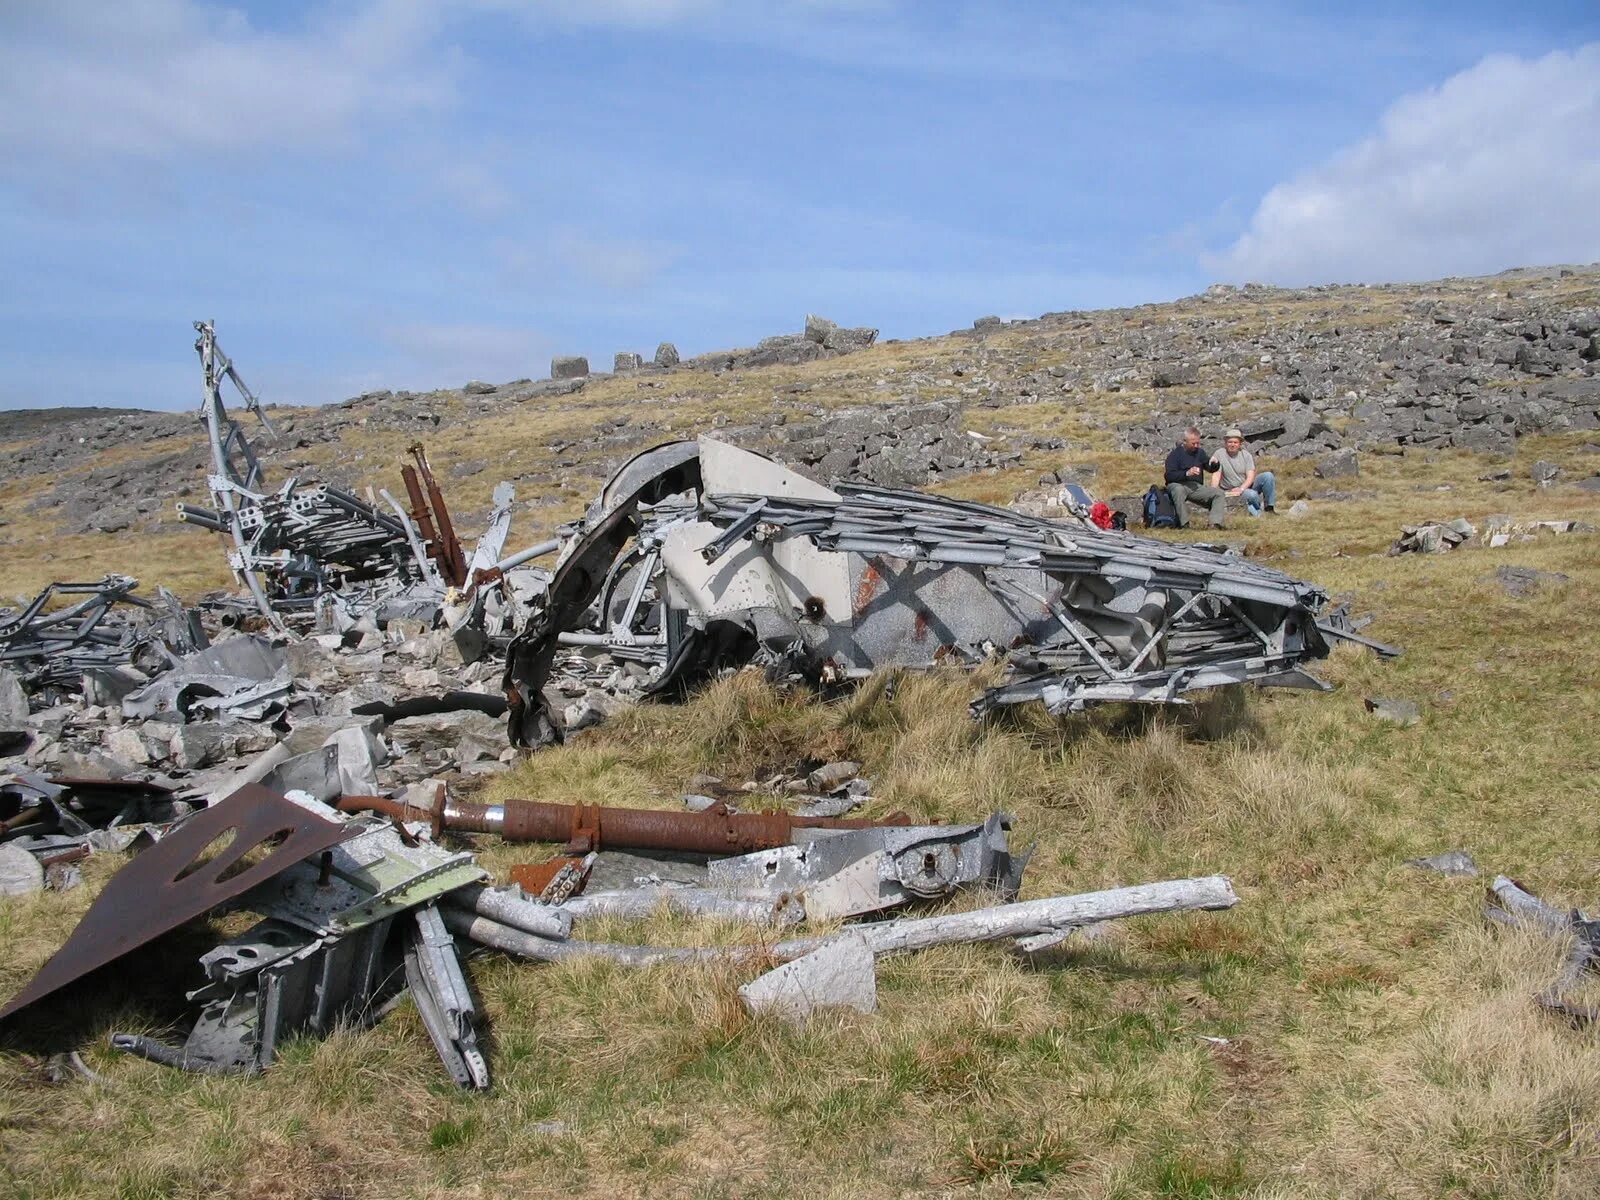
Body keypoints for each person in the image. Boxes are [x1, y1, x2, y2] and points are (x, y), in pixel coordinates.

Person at [1163, 426, 1226, 528]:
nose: (1196, 446)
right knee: (1178, 490)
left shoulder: (1200, 453)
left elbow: (1210, 468)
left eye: (1198, 443)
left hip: (1195, 486)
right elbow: (1169, 476)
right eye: (1193, 443)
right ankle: (1184, 524)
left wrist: (1215, 464)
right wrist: (1186, 473)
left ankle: (1214, 524)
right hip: (1177, 484)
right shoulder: (1174, 455)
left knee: (1219, 494)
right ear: (1185, 441)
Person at [1208, 428, 1276, 516]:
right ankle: (1258, 512)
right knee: (1251, 495)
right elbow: (1216, 475)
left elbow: (1250, 476)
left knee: (1268, 476)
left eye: (1235, 442)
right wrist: (1213, 492)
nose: (1232, 445)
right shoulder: (1219, 454)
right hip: (1230, 490)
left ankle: (1269, 507)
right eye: (1230, 442)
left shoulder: (1246, 455)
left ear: (1240, 444)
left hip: (1245, 486)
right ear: (1225, 443)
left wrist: (1241, 489)